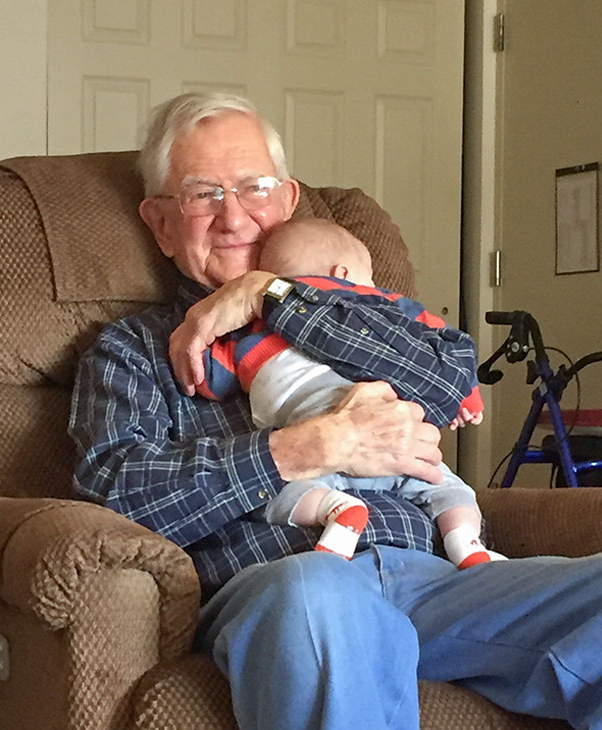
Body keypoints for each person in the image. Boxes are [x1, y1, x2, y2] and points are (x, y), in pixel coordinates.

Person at [70, 91, 602, 730]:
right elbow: (115, 487)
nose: (232, 212)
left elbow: (447, 372)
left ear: (286, 200)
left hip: (441, 581)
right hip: (288, 579)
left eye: (252, 186)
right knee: (320, 606)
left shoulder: (360, 312)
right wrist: (304, 448)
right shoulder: (137, 350)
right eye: (202, 195)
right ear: (162, 223)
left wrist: (271, 297)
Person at [195, 216, 498, 566]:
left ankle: (335, 509)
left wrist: (199, 344)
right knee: (448, 486)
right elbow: (442, 347)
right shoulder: (386, 304)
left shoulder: (250, 330)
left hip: (314, 443)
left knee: (274, 495)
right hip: (397, 443)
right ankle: (465, 542)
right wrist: (467, 396)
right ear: (342, 273)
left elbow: (210, 378)